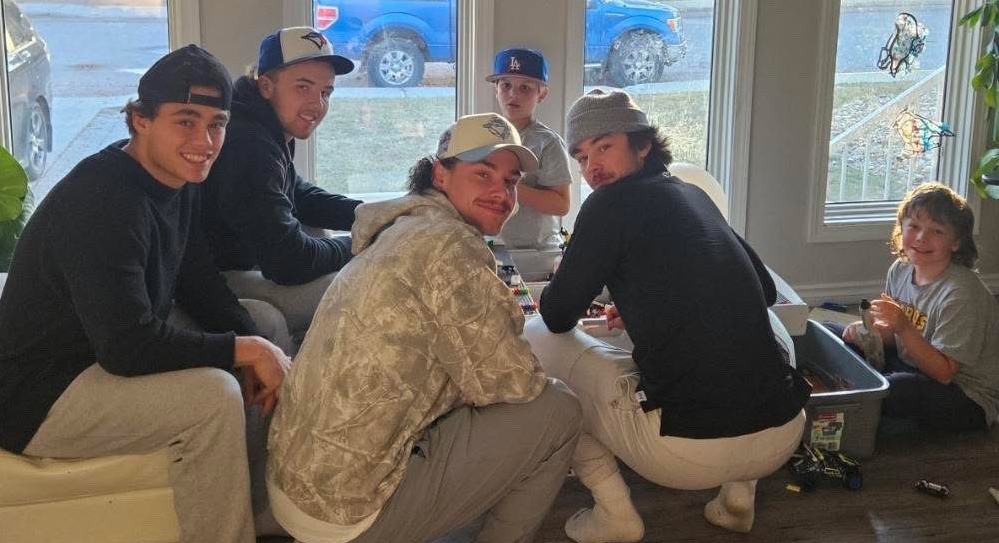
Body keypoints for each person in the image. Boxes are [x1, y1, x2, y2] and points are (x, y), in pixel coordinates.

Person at [0, 45, 292, 543]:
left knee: (264, 322)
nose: (204, 142)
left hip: (97, 351)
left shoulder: (178, 179)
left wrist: (255, 343)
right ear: (140, 119)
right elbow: (128, 347)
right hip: (36, 395)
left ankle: (265, 494)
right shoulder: (102, 202)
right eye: (185, 121)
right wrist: (244, 352)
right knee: (215, 395)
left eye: (216, 123)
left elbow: (199, 282)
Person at [267, 113, 583, 543]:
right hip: (346, 513)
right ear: (440, 173)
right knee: (558, 407)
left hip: (295, 482)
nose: (500, 192)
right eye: (482, 173)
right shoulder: (450, 247)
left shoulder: (404, 227)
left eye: (510, 181)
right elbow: (514, 384)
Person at [525, 89, 811, 542]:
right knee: (765, 323)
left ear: (642, 144)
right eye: (581, 157)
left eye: (604, 147)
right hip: (783, 431)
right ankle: (739, 498)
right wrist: (650, 300)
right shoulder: (693, 194)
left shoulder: (606, 204)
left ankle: (614, 513)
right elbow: (767, 288)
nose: (591, 167)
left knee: (538, 338)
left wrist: (572, 269)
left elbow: (558, 313)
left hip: (683, 453)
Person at [202, 26, 361, 346]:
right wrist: (362, 240)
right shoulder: (248, 144)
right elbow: (289, 263)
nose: (316, 104)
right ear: (266, 85)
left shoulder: (264, 123)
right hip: (212, 280)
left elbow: (297, 194)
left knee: (317, 232)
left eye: (325, 92)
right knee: (360, 284)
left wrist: (375, 213)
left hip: (246, 256)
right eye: (302, 87)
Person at [834, 182, 999, 432]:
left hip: (964, 394)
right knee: (832, 333)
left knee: (896, 389)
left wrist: (903, 326)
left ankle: (851, 408)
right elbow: (892, 337)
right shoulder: (900, 269)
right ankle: (853, 401)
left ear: (956, 242)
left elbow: (944, 372)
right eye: (914, 226)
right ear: (901, 229)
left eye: (937, 231)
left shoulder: (961, 293)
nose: (922, 237)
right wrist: (868, 333)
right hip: (912, 364)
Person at [487, 47, 572, 251]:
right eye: (506, 85)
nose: (513, 94)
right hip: (493, 244)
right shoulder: (485, 134)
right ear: (495, 89)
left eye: (525, 88)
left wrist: (508, 186)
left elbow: (561, 205)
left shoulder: (547, 142)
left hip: (535, 250)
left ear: (542, 94)